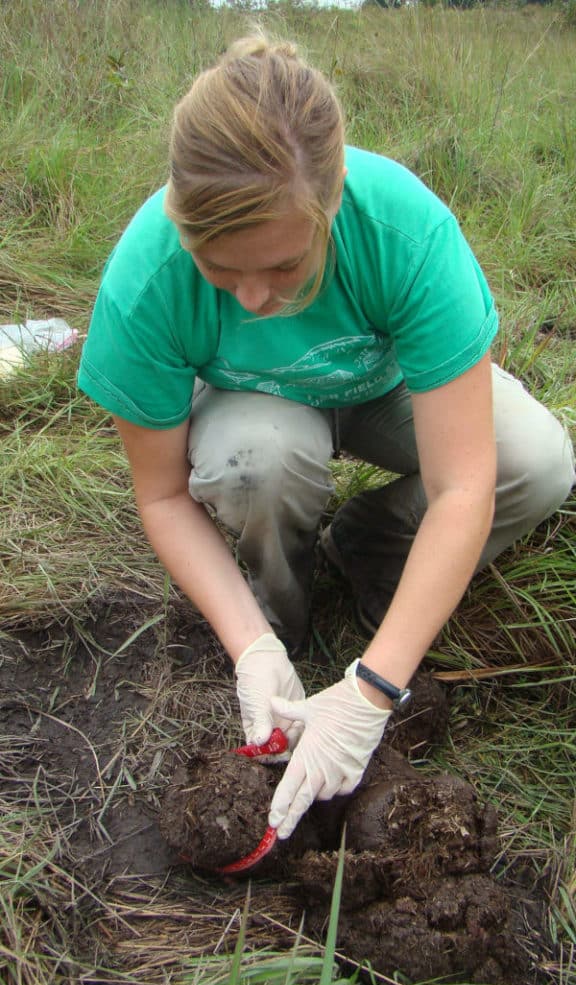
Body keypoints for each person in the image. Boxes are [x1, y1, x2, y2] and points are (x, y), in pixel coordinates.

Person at [78, 32, 575, 843]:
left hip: (387, 391)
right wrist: (247, 648)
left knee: (538, 461)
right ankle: (282, 628)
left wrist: (377, 688)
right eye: (219, 270)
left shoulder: (404, 231)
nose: (249, 298)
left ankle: (370, 557)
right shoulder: (146, 279)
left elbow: (465, 484)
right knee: (256, 465)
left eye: (280, 266)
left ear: (332, 200)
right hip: (254, 407)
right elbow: (163, 495)